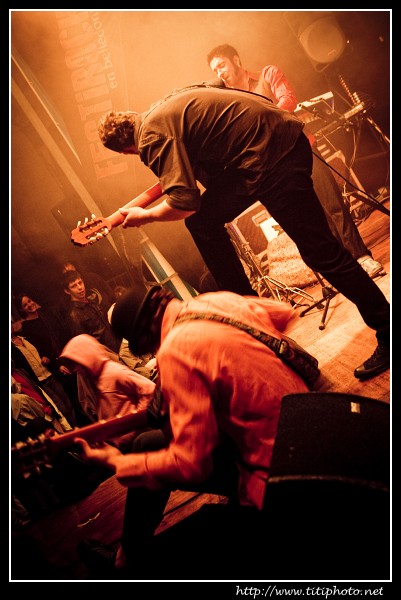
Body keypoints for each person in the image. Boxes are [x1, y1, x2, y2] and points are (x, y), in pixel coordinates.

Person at [96, 84, 389, 380]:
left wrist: (145, 216)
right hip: (269, 154)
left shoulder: (152, 136)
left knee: (322, 252)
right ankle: (248, 305)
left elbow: (185, 202)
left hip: (271, 160)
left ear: (125, 150)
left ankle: (386, 328)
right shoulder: (164, 108)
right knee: (202, 223)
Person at [73, 284, 311, 576]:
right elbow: (284, 313)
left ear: (144, 336)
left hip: (277, 473)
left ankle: (126, 568)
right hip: (311, 424)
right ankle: (126, 555)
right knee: (149, 442)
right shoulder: (214, 301)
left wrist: (117, 462)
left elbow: (193, 465)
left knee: (194, 537)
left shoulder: (175, 350)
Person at [206, 43, 385, 279]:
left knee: (333, 205)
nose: (220, 73)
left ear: (236, 60)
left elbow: (288, 99)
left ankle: (361, 257)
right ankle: (344, 269)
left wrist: (261, 124)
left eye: (222, 65)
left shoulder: (267, 74)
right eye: (215, 70)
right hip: (273, 167)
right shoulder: (230, 101)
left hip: (302, 149)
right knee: (311, 219)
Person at [59, 333, 156, 450]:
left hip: (138, 440)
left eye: (77, 363)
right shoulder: (94, 380)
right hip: (123, 444)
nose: (75, 369)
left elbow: (149, 389)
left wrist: (136, 422)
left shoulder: (114, 372)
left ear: (87, 357)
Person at [62, 270, 122, 355]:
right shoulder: (73, 315)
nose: (79, 287)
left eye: (80, 282)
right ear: (67, 291)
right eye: (74, 286)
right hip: (105, 354)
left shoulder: (91, 302)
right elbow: (85, 345)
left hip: (117, 346)